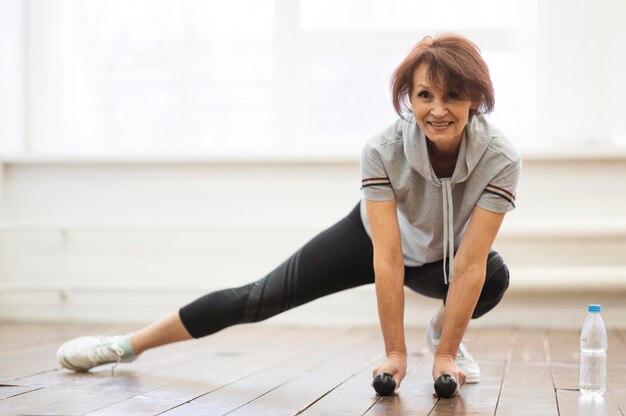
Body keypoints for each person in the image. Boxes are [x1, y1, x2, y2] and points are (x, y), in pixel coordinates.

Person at [57, 33, 520, 396]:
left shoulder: (499, 158)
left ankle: (443, 330)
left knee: (493, 275)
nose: (437, 110)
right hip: (373, 243)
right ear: (408, 99)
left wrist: (444, 356)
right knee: (255, 298)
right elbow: (387, 258)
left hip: (443, 259)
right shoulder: (383, 151)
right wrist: (394, 354)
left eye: (452, 96)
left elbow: (468, 265)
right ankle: (125, 345)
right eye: (424, 96)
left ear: (474, 98)